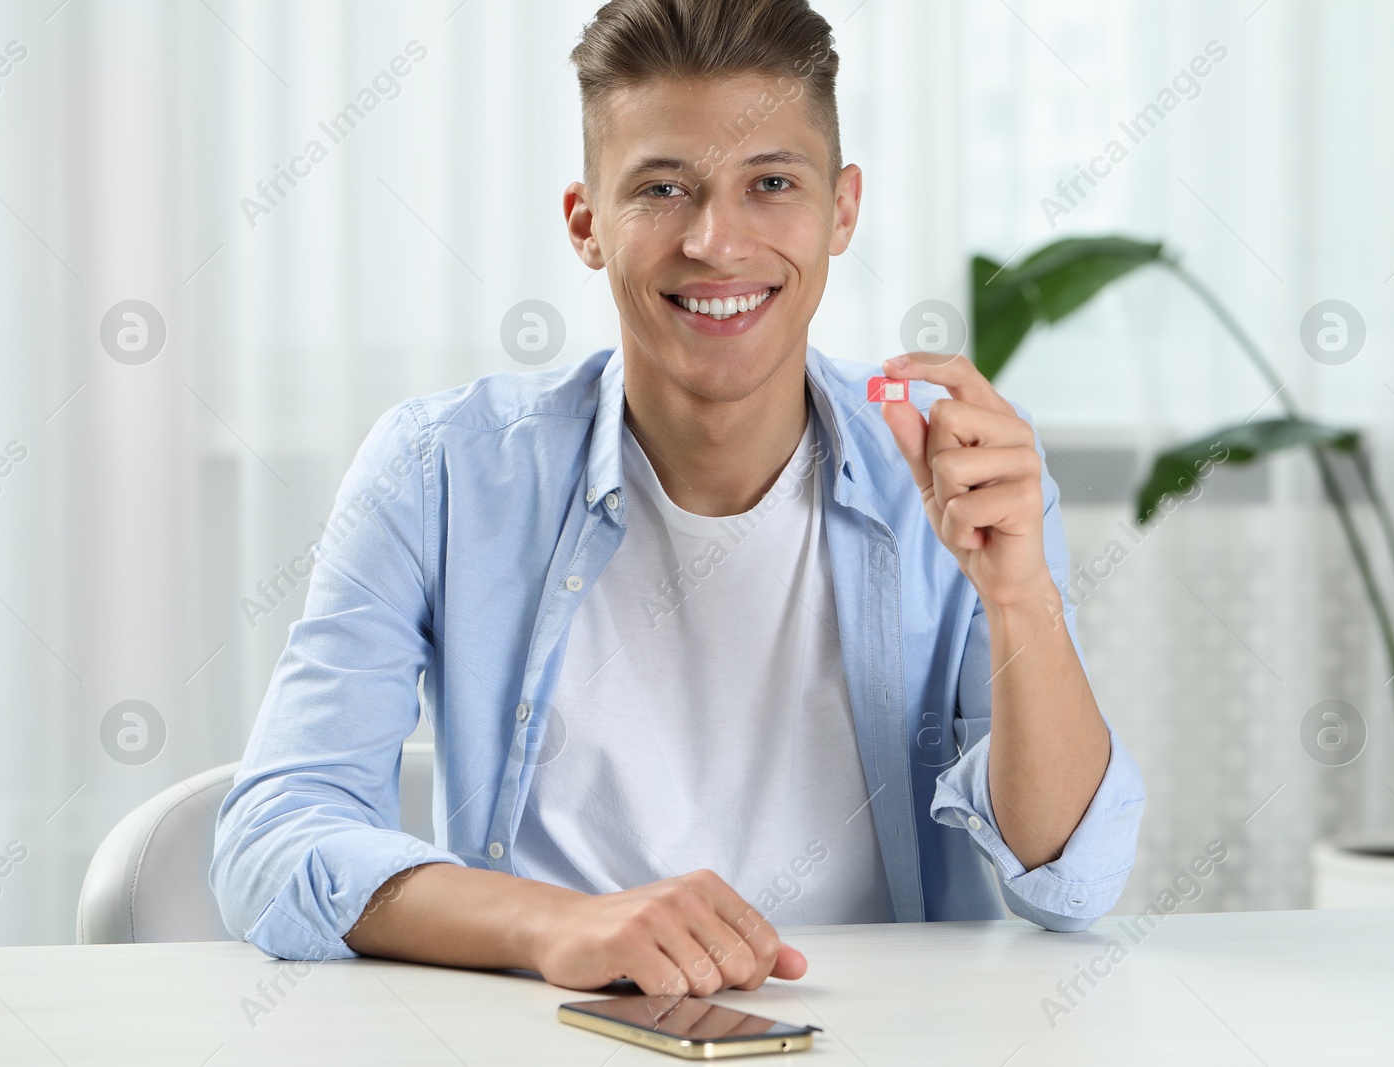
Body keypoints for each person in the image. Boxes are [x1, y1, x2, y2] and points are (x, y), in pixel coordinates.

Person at [211, 0, 1144, 1000]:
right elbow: (274, 837)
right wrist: (556, 923)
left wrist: (1020, 597)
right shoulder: (439, 471)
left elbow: (1069, 880)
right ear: (586, 223)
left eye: (771, 183)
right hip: (549, 1028)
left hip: (887, 1034)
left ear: (842, 208)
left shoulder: (957, 464)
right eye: (663, 188)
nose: (715, 241)